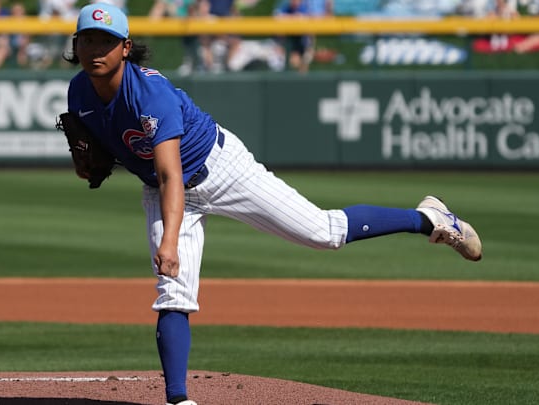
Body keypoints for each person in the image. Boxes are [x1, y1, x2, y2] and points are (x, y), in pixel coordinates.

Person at [62, 4, 483, 405]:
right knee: (172, 292)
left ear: (125, 46)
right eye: (89, 40)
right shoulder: (78, 90)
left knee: (324, 232)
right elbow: (114, 160)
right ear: (76, 44)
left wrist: (168, 241)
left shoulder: (149, 94)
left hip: (219, 168)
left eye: (107, 40)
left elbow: (173, 172)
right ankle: (178, 397)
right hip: (162, 188)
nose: (96, 50)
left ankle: (427, 218)